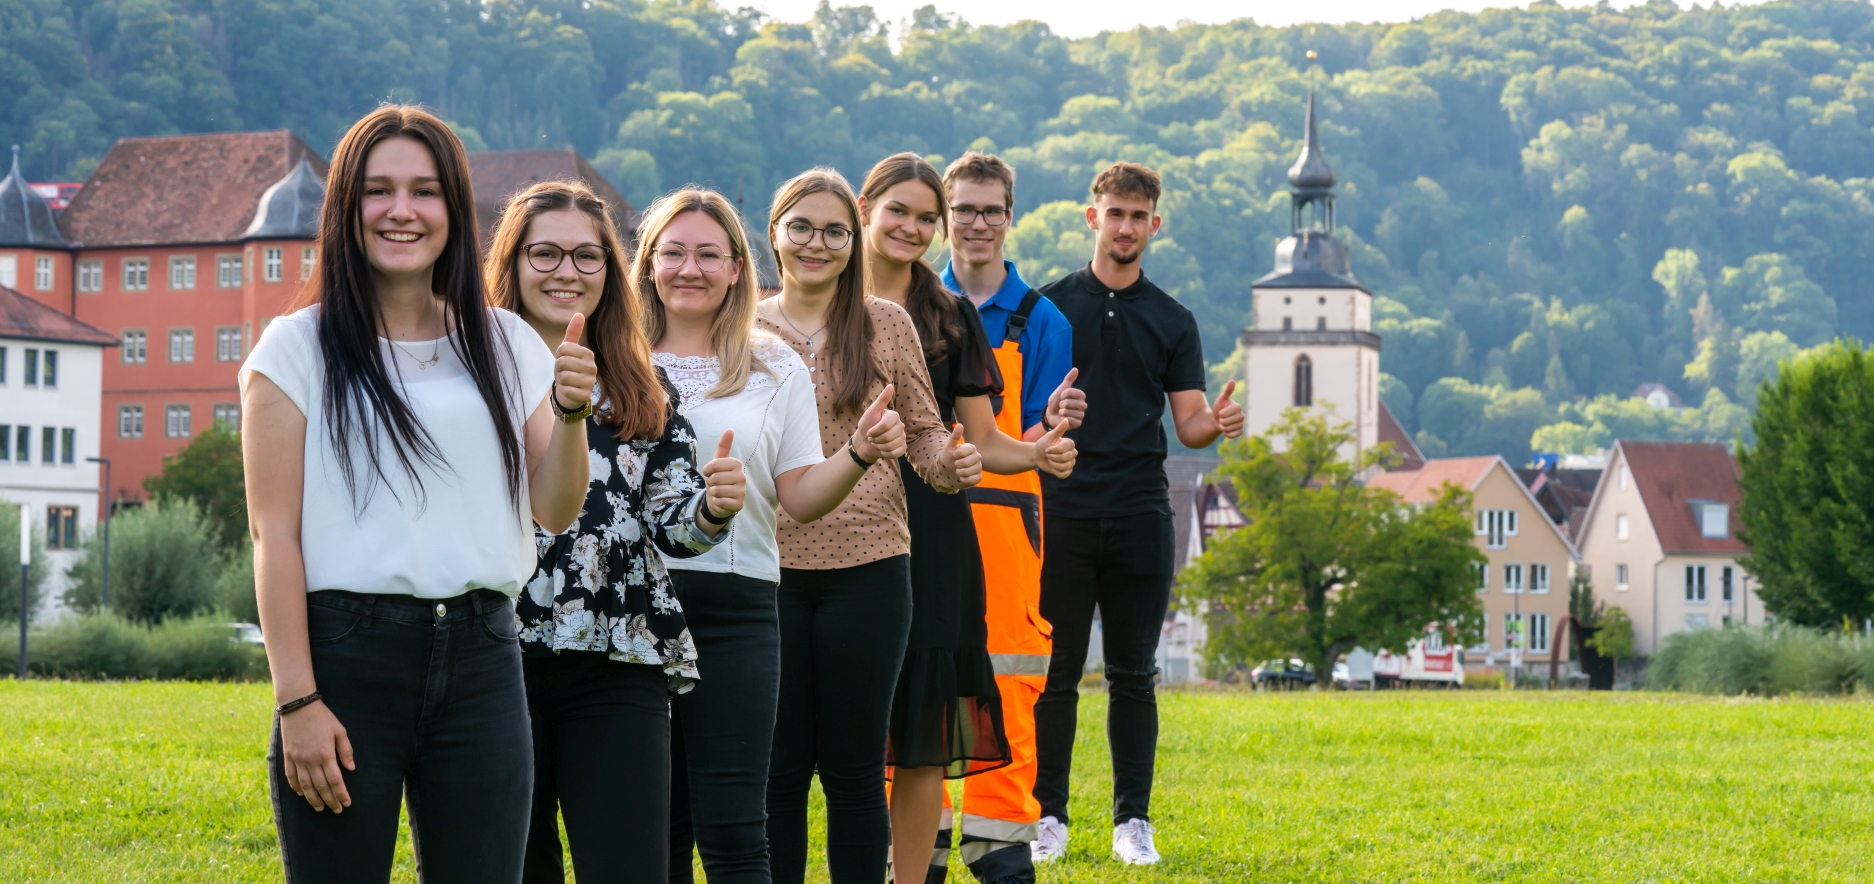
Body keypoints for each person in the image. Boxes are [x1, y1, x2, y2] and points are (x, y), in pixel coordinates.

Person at [242, 105, 594, 883]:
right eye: (379, 191)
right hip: (344, 660)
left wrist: (571, 418)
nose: (403, 211)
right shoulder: (295, 349)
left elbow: (555, 508)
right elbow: (274, 536)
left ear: (454, 211)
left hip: (483, 657)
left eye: (425, 191)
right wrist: (297, 700)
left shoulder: (505, 342)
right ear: (346, 209)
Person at [484, 179, 747, 884]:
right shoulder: (470, 374)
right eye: (544, 254)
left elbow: (673, 527)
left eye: (586, 257)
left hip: (618, 655)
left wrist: (712, 510)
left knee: (631, 866)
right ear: (508, 264)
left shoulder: (641, 382)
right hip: (495, 656)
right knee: (511, 865)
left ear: (610, 272)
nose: (566, 272)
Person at [638, 186, 885, 884]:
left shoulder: (775, 364)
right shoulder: (614, 358)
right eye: (675, 252)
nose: (691, 268)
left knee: (736, 829)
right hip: (630, 610)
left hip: (737, 610)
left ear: (738, 267)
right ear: (649, 262)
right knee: (653, 829)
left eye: (708, 254)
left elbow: (801, 496)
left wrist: (859, 452)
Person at [854, 152, 1078, 884]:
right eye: (904, 212)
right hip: (825, 527)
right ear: (865, 209)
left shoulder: (953, 320)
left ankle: (937, 866)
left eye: (927, 217)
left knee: (929, 707)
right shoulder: (810, 300)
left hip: (938, 533)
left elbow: (986, 441)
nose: (918, 228)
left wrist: (1041, 452)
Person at [757, 167, 978, 884]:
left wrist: (954, 461)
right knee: (779, 770)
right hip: (770, 571)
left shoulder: (886, 324)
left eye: (833, 232)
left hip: (871, 570)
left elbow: (923, 435)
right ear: (774, 235)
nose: (816, 244)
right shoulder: (746, 328)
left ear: (852, 243)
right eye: (802, 228)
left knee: (854, 770)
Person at [1031, 162, 1244, 866]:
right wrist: (1046, 418)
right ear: (1091, 217)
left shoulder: (1172, 319)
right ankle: (1048, 818)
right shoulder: (1047, 309)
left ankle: (1133, 824)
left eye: (1138, 216)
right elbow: (1019, 415)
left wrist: (1216, 423)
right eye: (1114, 213)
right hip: (1059, 505)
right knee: (1055, 670)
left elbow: (1187, 426)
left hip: (1140, 510)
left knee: (1133, 672)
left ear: (1156, 225)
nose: (1125, 227)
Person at [927, 150, 1086, 884]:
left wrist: (1054, 425)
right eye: (965, 209)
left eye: (992, 209)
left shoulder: (1042, 319)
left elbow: (1038, 431)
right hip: (924, 509)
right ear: (944, 217)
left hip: (1009, 520)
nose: (978, 223)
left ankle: (1000, 852)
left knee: (1011, 675)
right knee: (917, 673)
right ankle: (915, 846)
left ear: (1010, 217)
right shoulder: (912, 303)